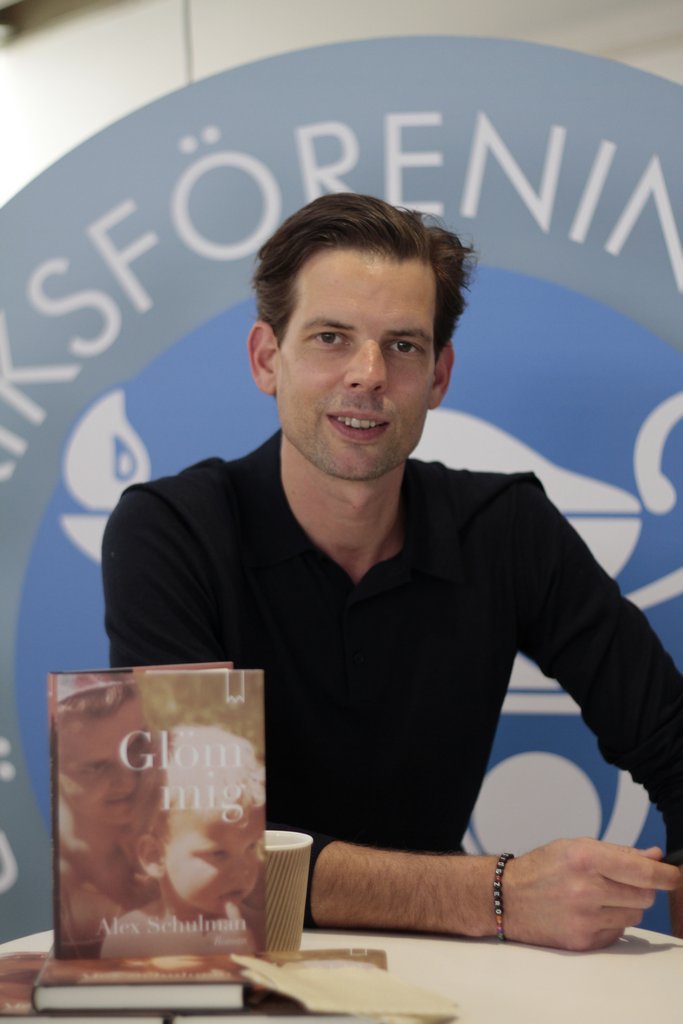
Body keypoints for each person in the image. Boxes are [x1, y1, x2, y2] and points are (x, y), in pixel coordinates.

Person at [102, 192, 683, 952]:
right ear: (267, 359)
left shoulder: (505, 528)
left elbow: (673, 744)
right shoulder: (172, 532)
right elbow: (195, 848)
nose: (368, 375)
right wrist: (498, 894)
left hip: (447, 978)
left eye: (403, 346)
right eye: (331, 338)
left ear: (439, 376)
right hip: (236, 971)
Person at [100, 725, 266, 956]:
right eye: (219, 853)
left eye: (251, 846)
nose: (243, 870)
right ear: (155, 856)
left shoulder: (257, 927)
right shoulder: (132, 938)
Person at [55, 676, 160, 956]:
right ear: (56, 770)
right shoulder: (66, 890)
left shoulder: (188, 836)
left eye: (136, 750)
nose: (127, 782)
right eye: (96, 769)